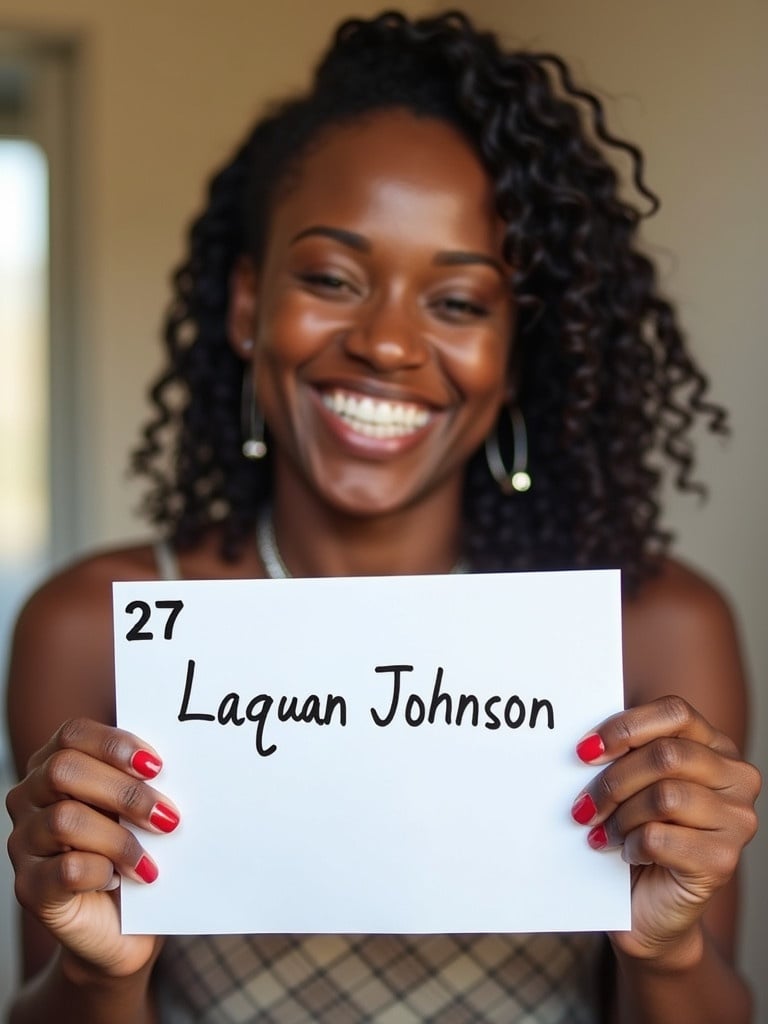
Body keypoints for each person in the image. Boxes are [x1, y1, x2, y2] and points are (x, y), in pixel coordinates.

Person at [4, 9, 761, 1024]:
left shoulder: (652, 629)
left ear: (515, 348)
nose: (390, 344)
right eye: (330, 278)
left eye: (458, 301)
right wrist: (97, 970)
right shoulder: (87, 625)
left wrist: (668, 951)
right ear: (245, 304)